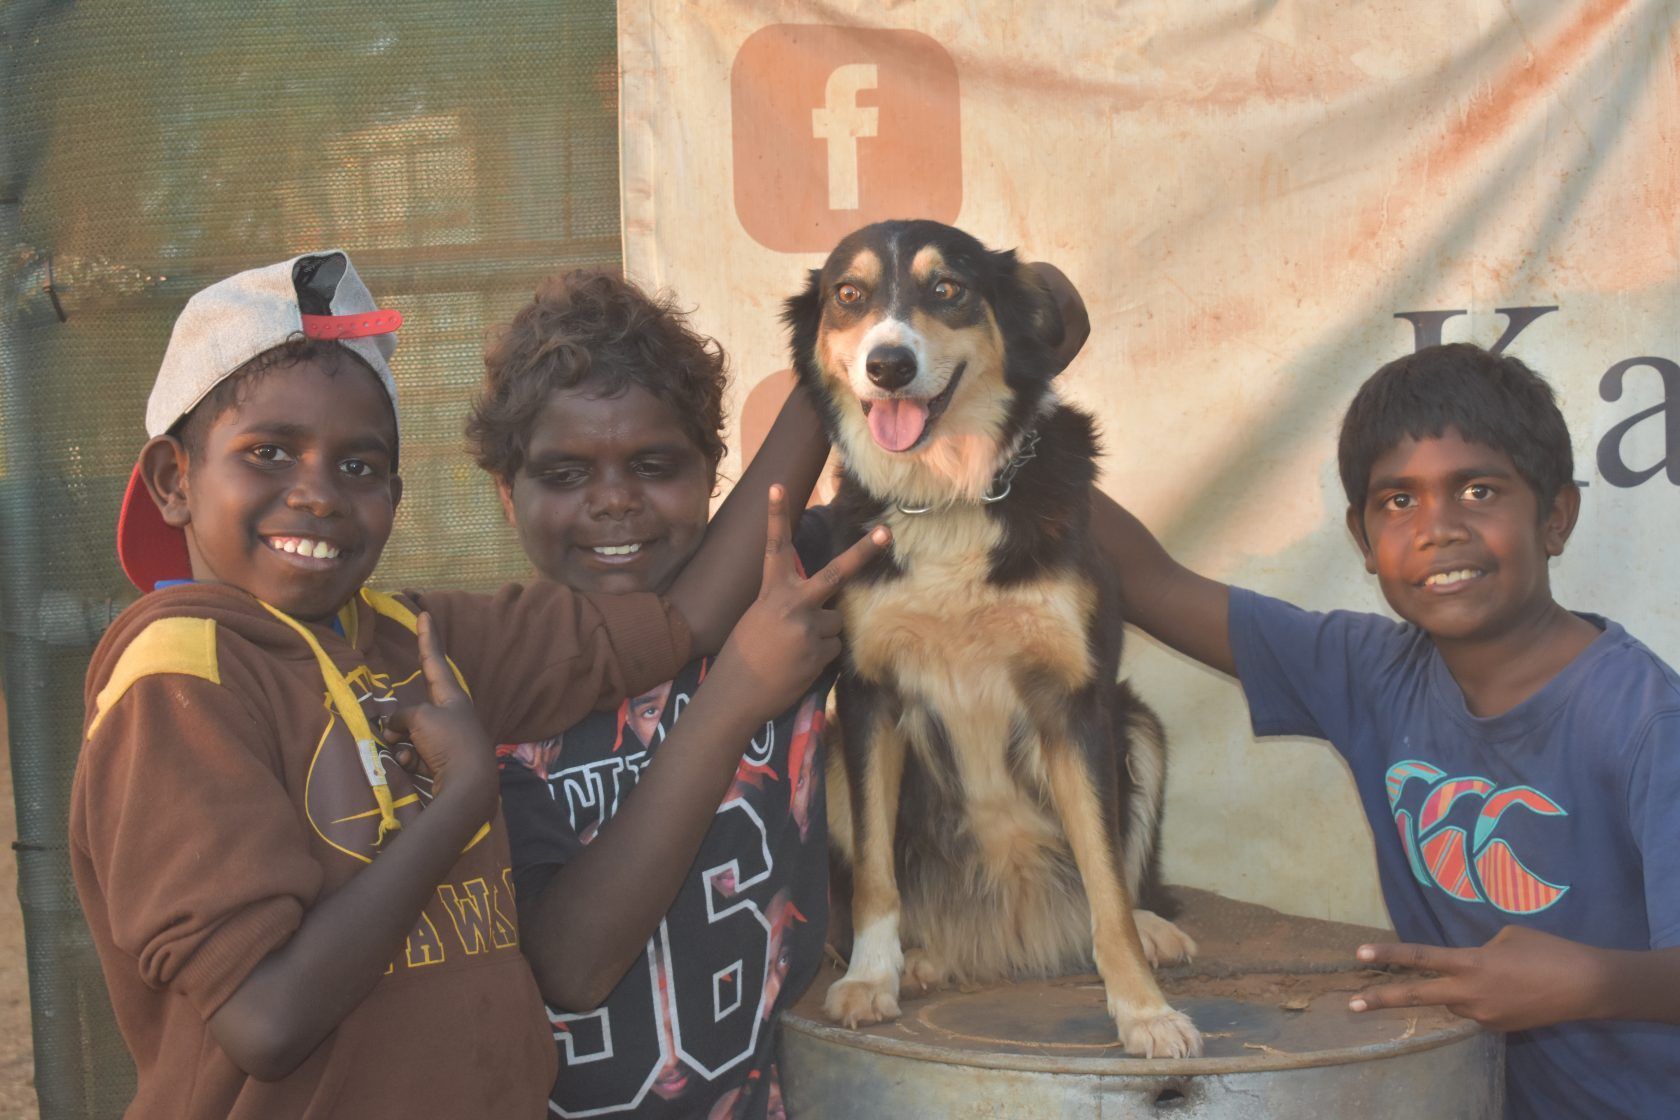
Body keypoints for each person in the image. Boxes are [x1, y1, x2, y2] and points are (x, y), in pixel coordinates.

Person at [68, 251, 883, 1119]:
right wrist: (460, 801)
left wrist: (834, 359)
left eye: (358, 465)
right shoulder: (177, 682)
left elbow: (684, 620)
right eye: (268, 452)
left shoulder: (410, 636)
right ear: (173, 480)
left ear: (395, 487)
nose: (316, 494)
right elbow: (267, 1022)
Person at [469, 265, 1085, 1119]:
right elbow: (571, 968)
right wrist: (735, 699)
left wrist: (1011, 314)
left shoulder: (793, 584)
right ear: (507, 492)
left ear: (715, 468)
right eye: (564, 474)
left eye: (653, 465)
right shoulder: (486, 675)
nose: (613, 503)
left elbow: (1012, 381)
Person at [1094, 342, 1680, 1118]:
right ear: (1364, 543)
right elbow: (1150, 581)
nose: (1438, 529)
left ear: (1556, 517)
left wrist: (1586, 982)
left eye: (1478, 490)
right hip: (1463, 1096)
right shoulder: (1370, 672)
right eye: (1399, 502)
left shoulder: (1643, 719)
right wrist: (1009, 401)